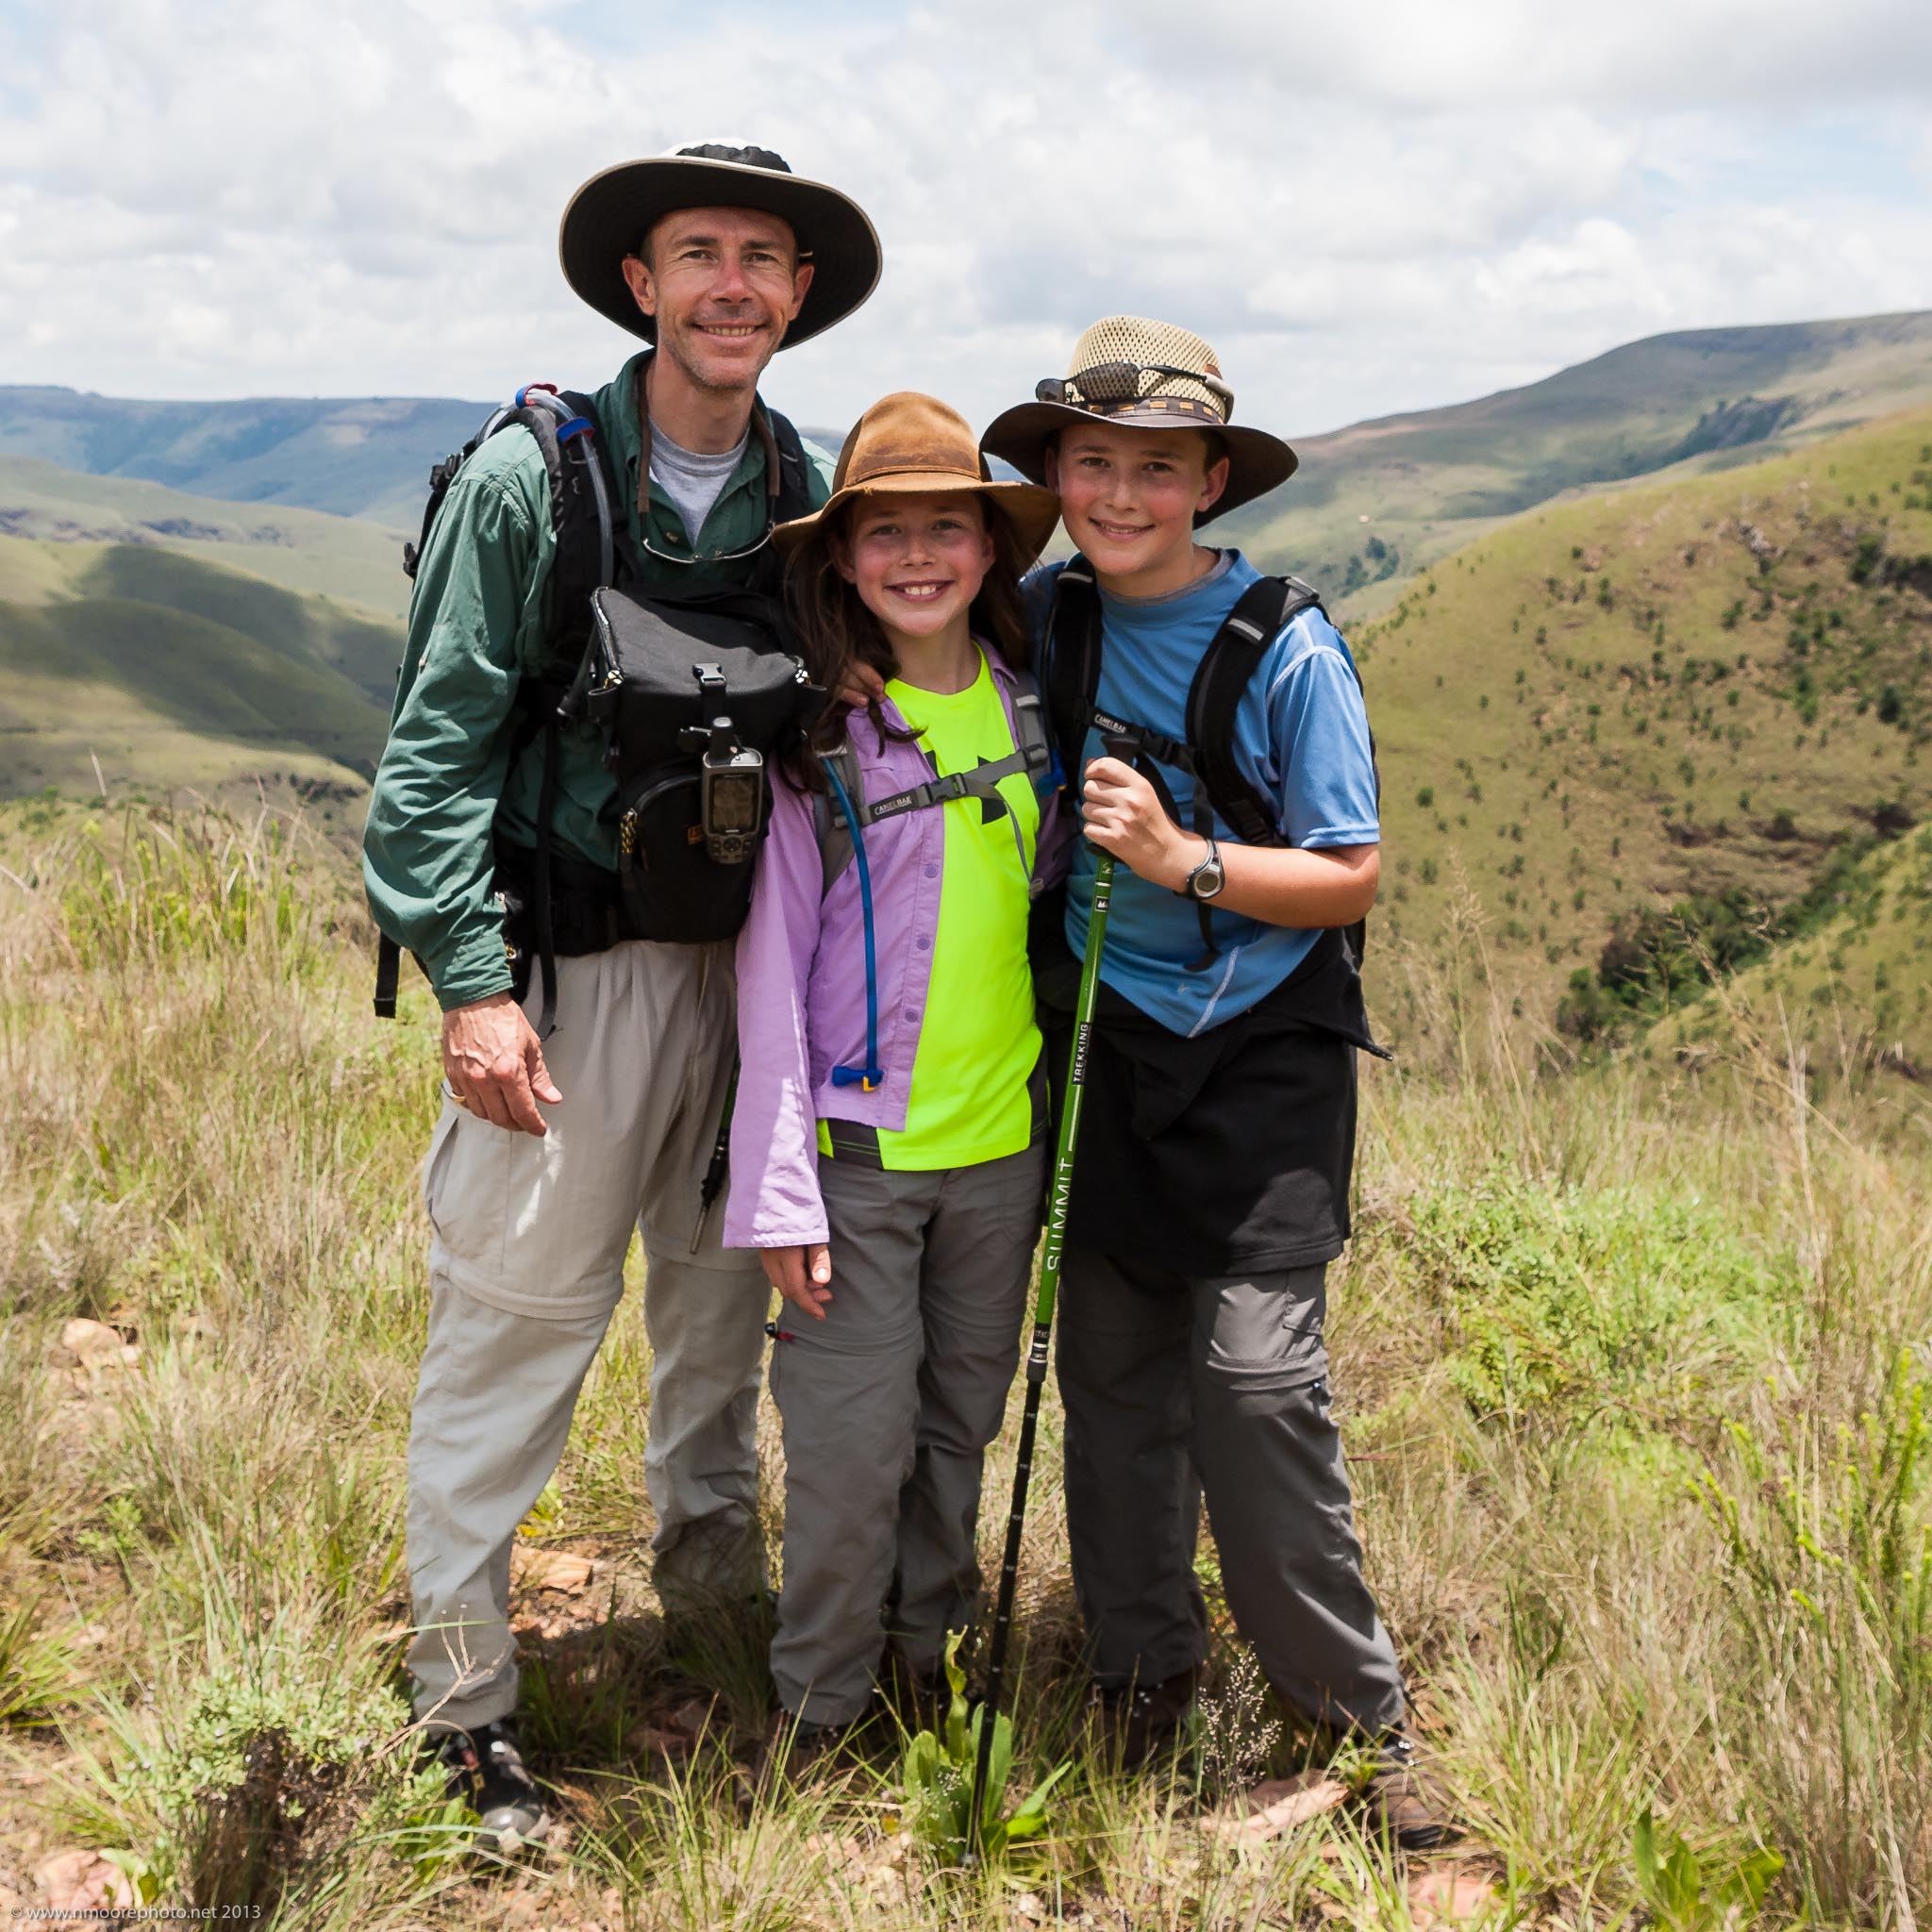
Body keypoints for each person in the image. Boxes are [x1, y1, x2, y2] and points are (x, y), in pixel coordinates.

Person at [361, 143, 879, 1843]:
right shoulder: (541, 480)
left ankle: (712, 1619)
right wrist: (467, 985)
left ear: (799, 294)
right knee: (519, 1325)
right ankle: (460, 1700)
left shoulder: (810, 489)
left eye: (763, 258)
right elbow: (431, 757)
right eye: (697, 253)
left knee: (717, 1324)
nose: (732, 284)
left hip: (757, 981)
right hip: (571, 982)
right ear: (640, 284)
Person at [979, 316, 1453, 1848]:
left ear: (1208, 485)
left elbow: (1354, 875)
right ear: (1057, 471)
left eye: (1158, 470)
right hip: (1106, 1037)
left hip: (1259, 1051)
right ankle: (1137, 1674)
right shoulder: (1048, 617)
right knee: (1113, 1368)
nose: (1122, 495)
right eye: (1094, 464)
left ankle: (1353, 1728)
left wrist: (1183, 860)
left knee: (1251, 1381)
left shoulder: (1289, 645)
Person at [726, 393, 1065, 1751]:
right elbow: (769, 977)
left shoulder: (1042, 713)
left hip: (1000, 1155)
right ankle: (820, 1703)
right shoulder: (817, 743)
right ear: (845, 560)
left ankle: (929, 1667)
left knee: (958, 1428)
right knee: (849, 1455)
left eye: (948, 528)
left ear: (990, 552)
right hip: (856, 1170)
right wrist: (782, 1194)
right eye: (887, 534)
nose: (918, 556)